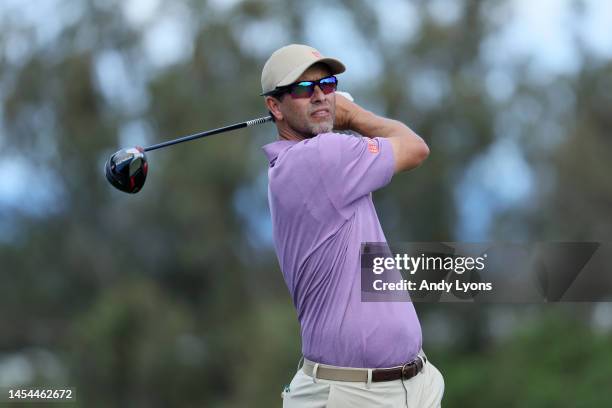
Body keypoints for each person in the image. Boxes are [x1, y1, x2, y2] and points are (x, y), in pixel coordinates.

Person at [261, 44, 444, 407]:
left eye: (326, 85)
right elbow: (415, 147)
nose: (318, 96)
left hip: (413, 386)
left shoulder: (315, 157)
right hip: (351, 395)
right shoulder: (321, 156)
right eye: (302, 89)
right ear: (275, 106)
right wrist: (351, 113)